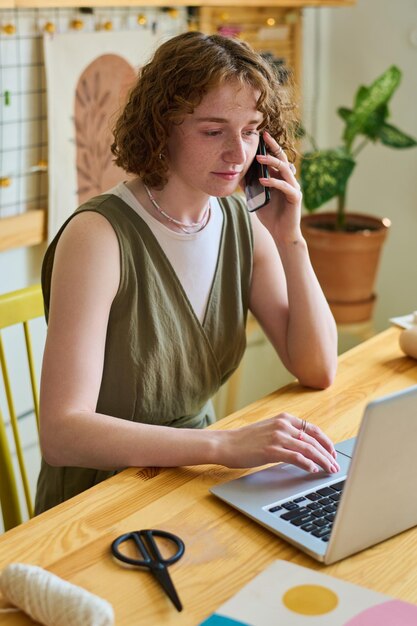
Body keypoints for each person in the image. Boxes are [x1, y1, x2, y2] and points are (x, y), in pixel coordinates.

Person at [35, 32, 339, 514]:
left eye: (251, 129)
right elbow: (61, 434)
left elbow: (318, 368)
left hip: (189, 483)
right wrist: (223, 447)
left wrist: (290, 239)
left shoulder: (244, 223)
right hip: (96, 503)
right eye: (213, 131)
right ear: (164, 127)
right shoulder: (98, 237)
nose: (237, 154)